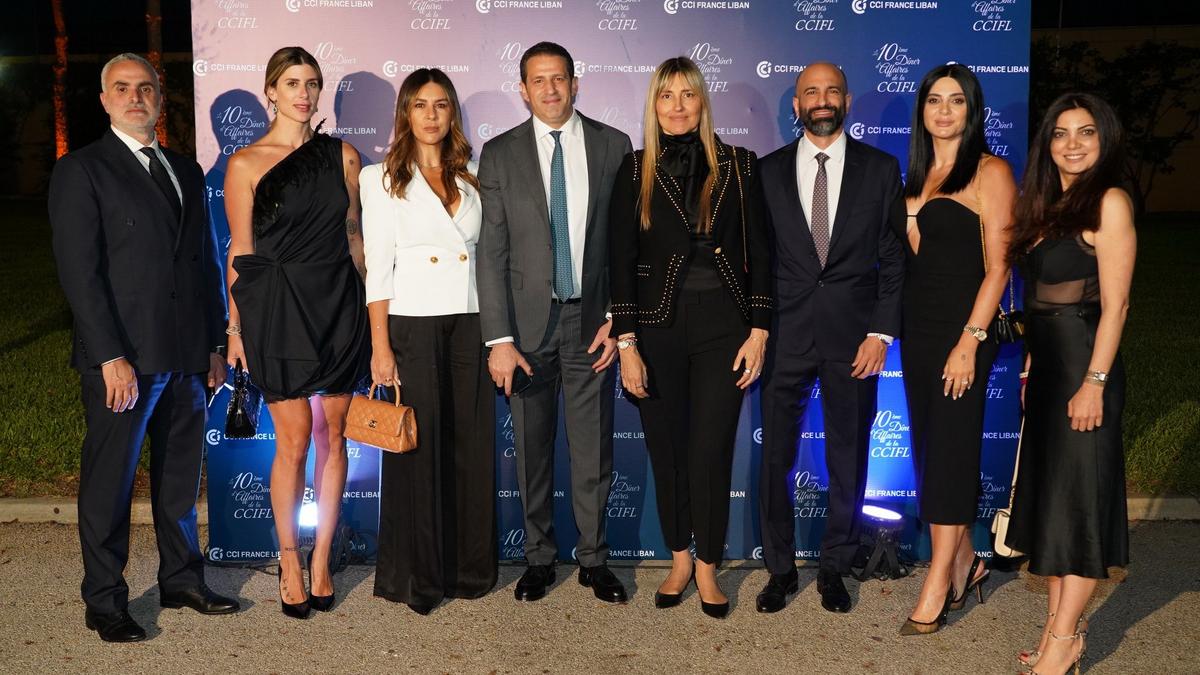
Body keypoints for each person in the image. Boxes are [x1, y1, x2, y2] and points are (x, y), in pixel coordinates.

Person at [48, 52, 239, 643]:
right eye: (123, 88)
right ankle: (105, 600)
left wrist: (213, 343)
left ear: (160, 97)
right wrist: (109, 356)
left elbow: (204, 265)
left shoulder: (185, 169)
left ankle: (182, 580)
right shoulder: (82, 170)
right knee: (110, 482)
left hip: (185, 355)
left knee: (179, 479)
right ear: (105, 100)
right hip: (124, 359)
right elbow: (80, 274)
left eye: (147, 88)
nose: (136, 97)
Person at [608, 57, 770, 619]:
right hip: (656, 328)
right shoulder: (634, 169)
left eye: (688, 95)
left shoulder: (740, 165)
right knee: (668, 449)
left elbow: (762, 253)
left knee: (710, 451)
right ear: (653, 105)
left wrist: (759, 330)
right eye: (666, 95)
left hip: (724, 327)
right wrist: (627, 344)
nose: (677, 106)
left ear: (703, 102)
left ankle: (708, 566)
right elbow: (619, 261)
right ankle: (679, 559)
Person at [476, 41, 633, 604]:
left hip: (591, 324)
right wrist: (498, 338)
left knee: (593, 452)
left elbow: (625, 244)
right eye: (538, 80)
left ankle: (594, 560)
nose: (550, 89)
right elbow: (491, 252)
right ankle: (539, 559)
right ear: (523, 89)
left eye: (559, 78)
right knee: (531, 450)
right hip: (524, 330)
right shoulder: (499, 153)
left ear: (575, 82)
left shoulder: (614, 145)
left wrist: (618, 318)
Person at [223, 46, 368, 619]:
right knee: (294, 438)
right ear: (271, 92)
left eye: (311, 83)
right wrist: (235, 327)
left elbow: (355, 238)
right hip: (278, 309)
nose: (303, 94)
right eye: (291, 83)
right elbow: (240, 251)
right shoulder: (245, 164)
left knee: (335, 436)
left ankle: (322, 556)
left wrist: (372, 316)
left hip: (338, 306)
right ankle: (288, 559)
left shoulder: (343, 156)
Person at [756, 62, 905, 615]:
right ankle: (779, 569)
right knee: (775, 457)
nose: (822, 100)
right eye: (811, 92)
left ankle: (835, 567)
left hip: (855, 339)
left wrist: (880, 334)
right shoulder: (766, 172)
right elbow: (757, 262)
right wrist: (757, 330)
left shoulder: (880, 169)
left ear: (848, 100)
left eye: (832, 91)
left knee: (849, 455)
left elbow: (893, 259)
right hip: (783, 335)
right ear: (796, 105)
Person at [1005, 93, 1135, 675]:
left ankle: (1062, 644)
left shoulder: (1109, 202)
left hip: (1086, 368)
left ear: (1104, 140)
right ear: (1047, 143)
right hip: (1049, 373)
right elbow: (1038, 304)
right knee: (1057, 508)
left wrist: (1095, 383)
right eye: (1061, 133)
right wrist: (1032, 368)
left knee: (1079, 508)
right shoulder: (1046, 204)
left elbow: (1116, 306)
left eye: (1086, 132)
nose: (1073, 144)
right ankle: (1061, 632)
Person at [361, 68, 497, 615]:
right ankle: (417, 575)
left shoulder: (476, 175)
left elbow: (489, 255)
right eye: (420, 104)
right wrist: (381, 345)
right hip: (413, 322)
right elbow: (377, 268)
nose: (431, 115)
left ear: (452, 113)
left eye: (441, 104)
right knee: (418, 449)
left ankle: (468, 570)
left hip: (472, 320)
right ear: (405, 113)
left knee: (470, 444)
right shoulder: (379, 178)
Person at [896, 63, 1017, 635]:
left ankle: (939, 579)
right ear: (921, 109)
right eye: (934, 100)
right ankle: (968, 559)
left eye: (956, 101)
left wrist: (970, 341)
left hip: (965, 331)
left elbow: (1000, 268)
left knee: (949, 452)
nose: (944, 111)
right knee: (930, 450)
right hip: (918, 331)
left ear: (973, 110)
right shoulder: (916, 175)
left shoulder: (991, 172)